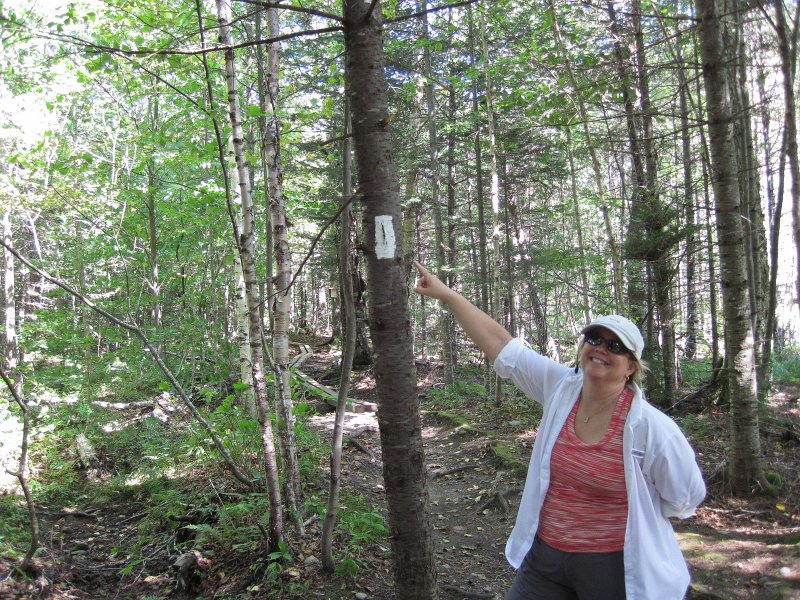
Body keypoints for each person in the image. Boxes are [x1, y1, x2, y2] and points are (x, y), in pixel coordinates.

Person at [412, 261, 706, 600]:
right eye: (595, 339)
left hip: (613, 566)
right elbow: (503, 347)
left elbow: (686, 497)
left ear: (631, 366)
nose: (601, 348)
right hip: (545, 559)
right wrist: (448, 295)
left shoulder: (651, 429)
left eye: (615, 346)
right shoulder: (561, 388)